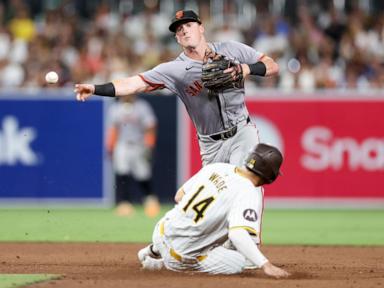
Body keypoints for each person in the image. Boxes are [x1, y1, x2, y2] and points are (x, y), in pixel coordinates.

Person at [74, 10, 279, 168]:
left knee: (240, 186)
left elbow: (272, 66)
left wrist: (246, 69)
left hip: (242, 131)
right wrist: (94, 88)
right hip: (210, 145)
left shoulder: (231, 49)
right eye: (179, 30)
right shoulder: (175, 70)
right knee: (214, 206)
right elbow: (133, 83)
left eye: (188, 25)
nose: (184, 30)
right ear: (177, 39)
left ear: (201, 28)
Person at [137, 143, 290, 277]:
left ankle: (153, 249)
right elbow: (237, 234)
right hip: (180, 256)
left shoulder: (217, 167)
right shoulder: (248, 192)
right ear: (270, 175)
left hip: (161, 231)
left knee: (183, 219)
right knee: (238, 262)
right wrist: (265, 265)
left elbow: (179, 196)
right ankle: (161, 264)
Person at [106, 94, 160, 217]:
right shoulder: (115, 108)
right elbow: (113, 128)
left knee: (143, 174)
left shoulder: (142, 106)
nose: (127, 95)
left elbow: (150, 126)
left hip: (139, 144)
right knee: (122, 173)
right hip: (122, 144)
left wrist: (150, 144)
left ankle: (150, 201)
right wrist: (110, 146)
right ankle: (124, 203)